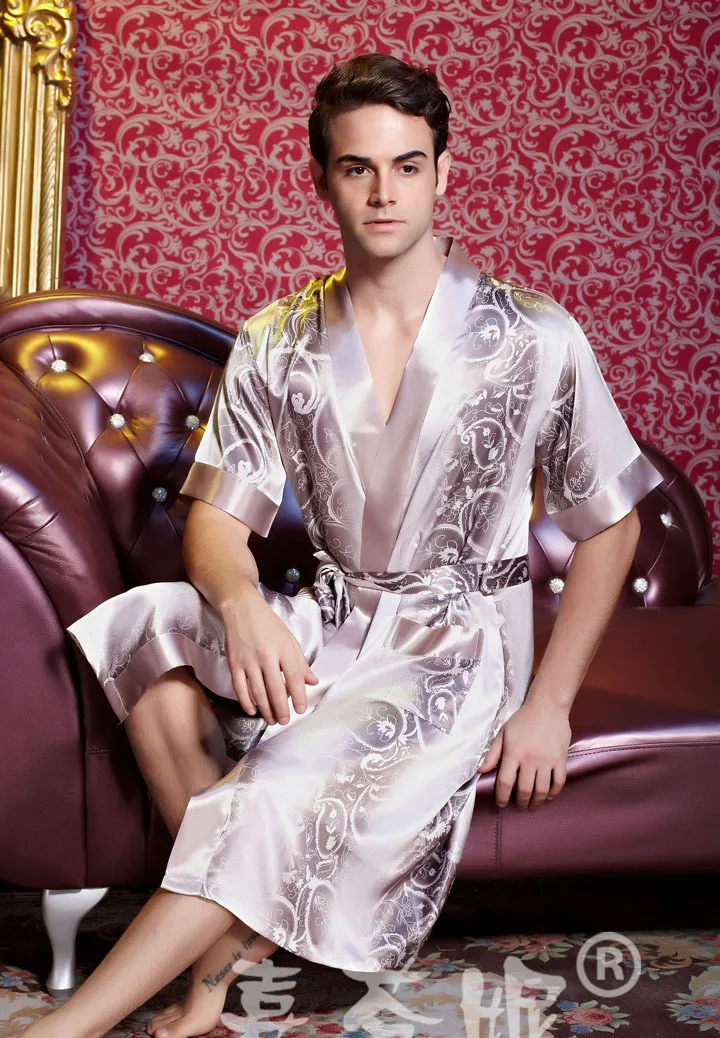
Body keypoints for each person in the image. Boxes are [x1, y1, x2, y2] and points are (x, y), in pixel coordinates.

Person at [22, 52, 663, 1038]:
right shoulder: (277, 338)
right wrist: (241, 604)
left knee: (268, 790)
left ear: (444, 172)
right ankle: (234, 941)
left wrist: (550, 705)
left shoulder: (533, 337)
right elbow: (216, 523)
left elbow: (613, 527)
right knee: (141, 623)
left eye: (408, 166)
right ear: (319, 179)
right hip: (332, 614)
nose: (384, 193)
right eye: (358, 168)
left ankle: (75, 1026)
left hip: (458, 640)